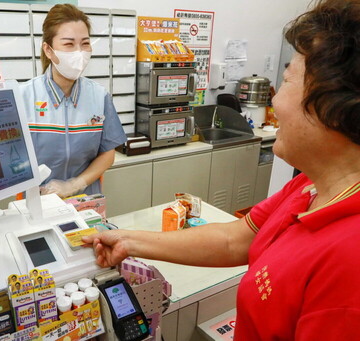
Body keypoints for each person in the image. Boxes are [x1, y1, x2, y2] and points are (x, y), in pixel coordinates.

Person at [83, 0, 360, 338]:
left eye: (287, 81)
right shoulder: (308, 188)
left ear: (334, 106)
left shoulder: (350, 266)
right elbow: (233, 240)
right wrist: (128, 241)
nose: (273, 101)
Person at [18, 4, 126, 198]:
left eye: (85, 43)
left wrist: (75, 184)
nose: (79, 52)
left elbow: (107, 153)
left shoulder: (99, 96)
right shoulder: (23, 96)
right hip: (38, 203)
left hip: (86, 200)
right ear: (48, 50)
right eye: (69, 44)